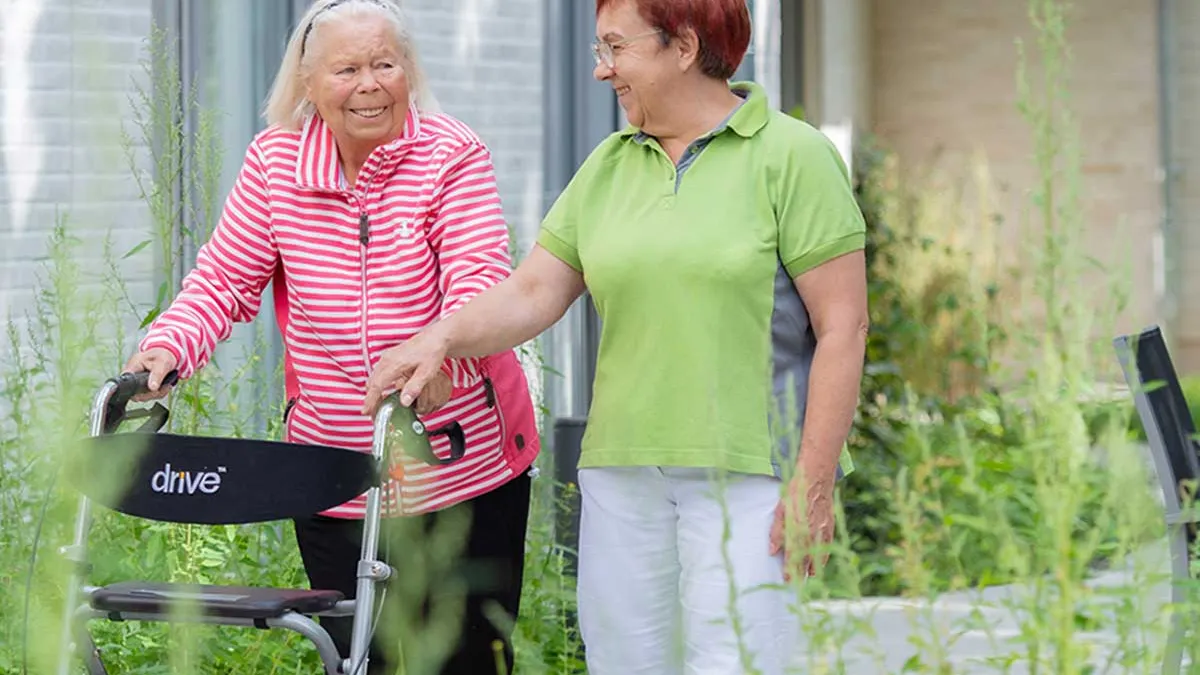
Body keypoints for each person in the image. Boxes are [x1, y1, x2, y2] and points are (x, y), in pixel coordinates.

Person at [361, 0, 870, 673]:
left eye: (615, 48)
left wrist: (814, 480)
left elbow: (844, 326)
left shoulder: (792, 156)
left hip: (750, 473)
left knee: (737, 662)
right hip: (621, 470)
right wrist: (441, 337)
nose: (602, 70)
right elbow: (534, 291)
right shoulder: (608, 164)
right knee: (623, 661)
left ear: (682, 46)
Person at [121, 0, 540, 672]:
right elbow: (225, 278)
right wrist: (168, 346)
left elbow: (479, 280)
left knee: (466, 659)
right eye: (347, 68)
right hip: (335, 465)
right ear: (309, 84)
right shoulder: (275, 163)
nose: (370, 83)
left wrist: (443, 352)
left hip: (462, 467)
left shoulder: (450, 156)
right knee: (354, 656)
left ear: (409, 72)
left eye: (385, 63)